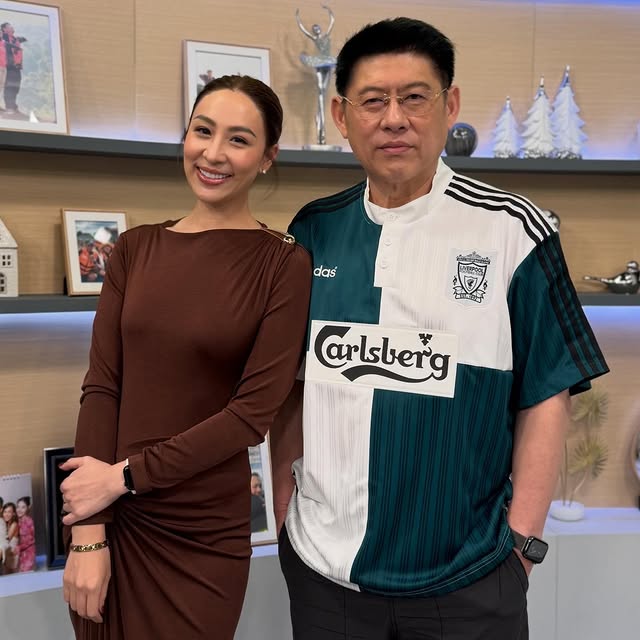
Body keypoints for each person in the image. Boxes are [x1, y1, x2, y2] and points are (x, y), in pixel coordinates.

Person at [271, 17, 609, 640]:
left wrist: (522, 546)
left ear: (450, 106)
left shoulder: (515, 230)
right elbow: (290, 383)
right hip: (325, 575)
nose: (394, 119)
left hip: (470, 580)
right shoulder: (313, 230)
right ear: (342, 116)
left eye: (414, 97)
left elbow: (547, 390)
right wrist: (283, 503)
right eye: (373, 101)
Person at [57, 74, 311, 639]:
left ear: (267, 158)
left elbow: (250, 416)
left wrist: (124, 477)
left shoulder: (283, 264)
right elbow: (102, 387)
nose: (213, 153)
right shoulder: (134, 248)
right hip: (112, 520)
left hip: (201, 533)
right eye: (203, 131)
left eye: (239, 139)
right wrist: (88, 532)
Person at [1, 22, 26, 117]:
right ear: (4, 29)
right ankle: (9, 108)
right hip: (9, 67)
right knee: (10, 87)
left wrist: (19, 40)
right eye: (9, 26)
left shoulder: (14, 38)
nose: (12, 27)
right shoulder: (4, 37)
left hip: (17, 67)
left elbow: (18, 42)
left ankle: (13, 107)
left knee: (15, 87)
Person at [16, 496, 36, 572]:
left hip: (29, 553)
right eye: (18, 507)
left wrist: (19, 547)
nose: (19, 510)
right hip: (21, 554)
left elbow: (32, 539)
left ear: (28, 508)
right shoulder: (17, 521)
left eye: (23, 507)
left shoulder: (29, 522)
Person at [2, 502, 20, 574]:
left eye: (9, 512)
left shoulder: (14, 524)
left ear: (14, 514)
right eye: (5, 512)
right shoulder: (7, 524)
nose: (6, 514)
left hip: (13, 558)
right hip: (8, 556)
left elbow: (6, 540)